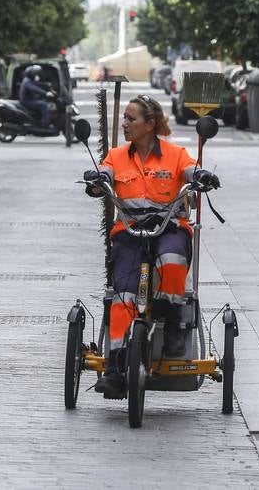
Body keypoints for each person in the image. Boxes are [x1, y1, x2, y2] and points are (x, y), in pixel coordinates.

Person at [83, 94, 219, 396]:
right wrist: (96, 181)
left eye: (131, 119)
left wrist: (202, 176)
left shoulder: (175, 154)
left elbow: (190, 170)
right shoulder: (116, 156)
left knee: (172, 262)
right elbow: (104, 175)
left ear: (150, 124)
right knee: (122, 298)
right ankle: (117, 368)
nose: (125, 124)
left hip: (168, 228)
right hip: (129, 232)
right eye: (125, 118)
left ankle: (172, 326)